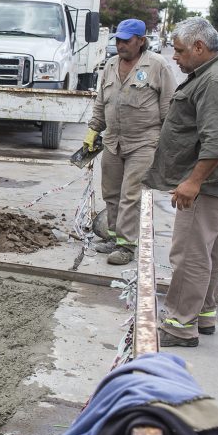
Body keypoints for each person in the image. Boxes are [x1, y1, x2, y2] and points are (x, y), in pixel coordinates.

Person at [144, 17, 218, 348]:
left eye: (178, 51)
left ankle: (179, 325)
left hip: (206, 184)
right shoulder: (216, 72)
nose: (174, 57)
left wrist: (193, 182)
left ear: (199, 47)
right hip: (217, 182)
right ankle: (203, 314)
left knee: (189, 254)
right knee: (209, 253)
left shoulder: (215, 80)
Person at [86, 18, 176, 265]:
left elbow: (169, 108)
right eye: (118, 40)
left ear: (141, 41)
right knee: (111, 192)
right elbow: (101, 102)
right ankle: (113, 237)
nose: (121, 45)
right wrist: (94, 130)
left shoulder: (157, 65)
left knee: (130, 195)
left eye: (127, 40)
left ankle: (127, 246)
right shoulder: (111, 65)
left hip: (144, 142)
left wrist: (168, 146)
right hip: (113, 141)